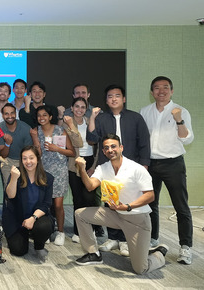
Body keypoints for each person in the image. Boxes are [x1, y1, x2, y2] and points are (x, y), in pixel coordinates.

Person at [74, 134, 168, 275]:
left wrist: (128, 206)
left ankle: (159, 253)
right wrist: (82, 168)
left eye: (113, 146)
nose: (110, 150)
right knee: (80, 214)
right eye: (106, 148)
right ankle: (93, 253)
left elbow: (150, 196)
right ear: (104, 152)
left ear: (121, 148)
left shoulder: (136, 169)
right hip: (116, 215)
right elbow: (90, 186)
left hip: (137, 220)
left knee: (140, 268)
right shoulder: (103, 168)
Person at [86, 84, 150, 257]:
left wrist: (144, 165)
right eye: (109, 96)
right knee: (110, 202)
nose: (113, 99)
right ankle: (113, 238)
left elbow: (144, 142)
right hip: (108, 167)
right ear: (106, 100)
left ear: (123, 98)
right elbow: (91, 139)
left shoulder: (135, 118)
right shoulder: (101, 118)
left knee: (127, 203)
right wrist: (92, 116)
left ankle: (125, 240)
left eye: (117, 95)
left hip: (131, 168)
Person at [140, 76, 194, 264]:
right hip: (151, 164)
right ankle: (153, 239)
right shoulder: (145, 111)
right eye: (156, 88)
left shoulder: (180, 111)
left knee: (181, 207)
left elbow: (187, 139)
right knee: (150, 205)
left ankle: (185, 247)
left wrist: (179, 120)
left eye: (165, 88)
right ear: (151, 92)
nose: (160, 91)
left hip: (173, 164)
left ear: (171, 91)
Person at [30, 105, 75, 246]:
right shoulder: (35, 131)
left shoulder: (60, 130)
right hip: (42, 170)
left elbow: (72, 152)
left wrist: (57, 149)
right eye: (39, 116)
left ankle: (60, 232)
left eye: (44, 115)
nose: (41, 118)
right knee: (44, 204)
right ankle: (46, 231)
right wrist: (35, 139)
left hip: (59, 170)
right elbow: (38, 155)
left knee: (58, 204)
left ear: (50, 117)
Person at [3, 146, 54, 262]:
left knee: (44, 227)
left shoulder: (47, 178)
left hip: (36, 218)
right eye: (24, 158)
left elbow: (46, 204)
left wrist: (33, 218)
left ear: (37, 159)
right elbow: (10, 196)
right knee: (18, 250)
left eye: (31, 158)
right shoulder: (16, 173)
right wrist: (14, 179)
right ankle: (23, 235)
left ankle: (39, 245)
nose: (28, 162)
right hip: (17, 219)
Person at [63, 98, 101, 243]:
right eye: (76, 107)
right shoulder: (67, 124)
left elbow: (97, 146)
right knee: (78, 198)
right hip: (75, 163)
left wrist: (93, 166)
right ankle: (78, 231)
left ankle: (92, 229)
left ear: (87, 109)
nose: (79, 109)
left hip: (91, 161)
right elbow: (77, 142)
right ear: (71, 108)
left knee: (90, 198)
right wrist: (72, 125)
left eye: (83, 107)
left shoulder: (91, 121)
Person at [0, 103, 33, 188]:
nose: (10, 116)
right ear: (2, 115)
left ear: (15, 114)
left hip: (23, 161)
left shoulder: (25, 128)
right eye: (6, 114)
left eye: (12, 113)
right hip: (7, 161)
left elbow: (28, 153)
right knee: (9, 190)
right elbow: (4, 155)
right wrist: (7, 144)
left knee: (24, 189)